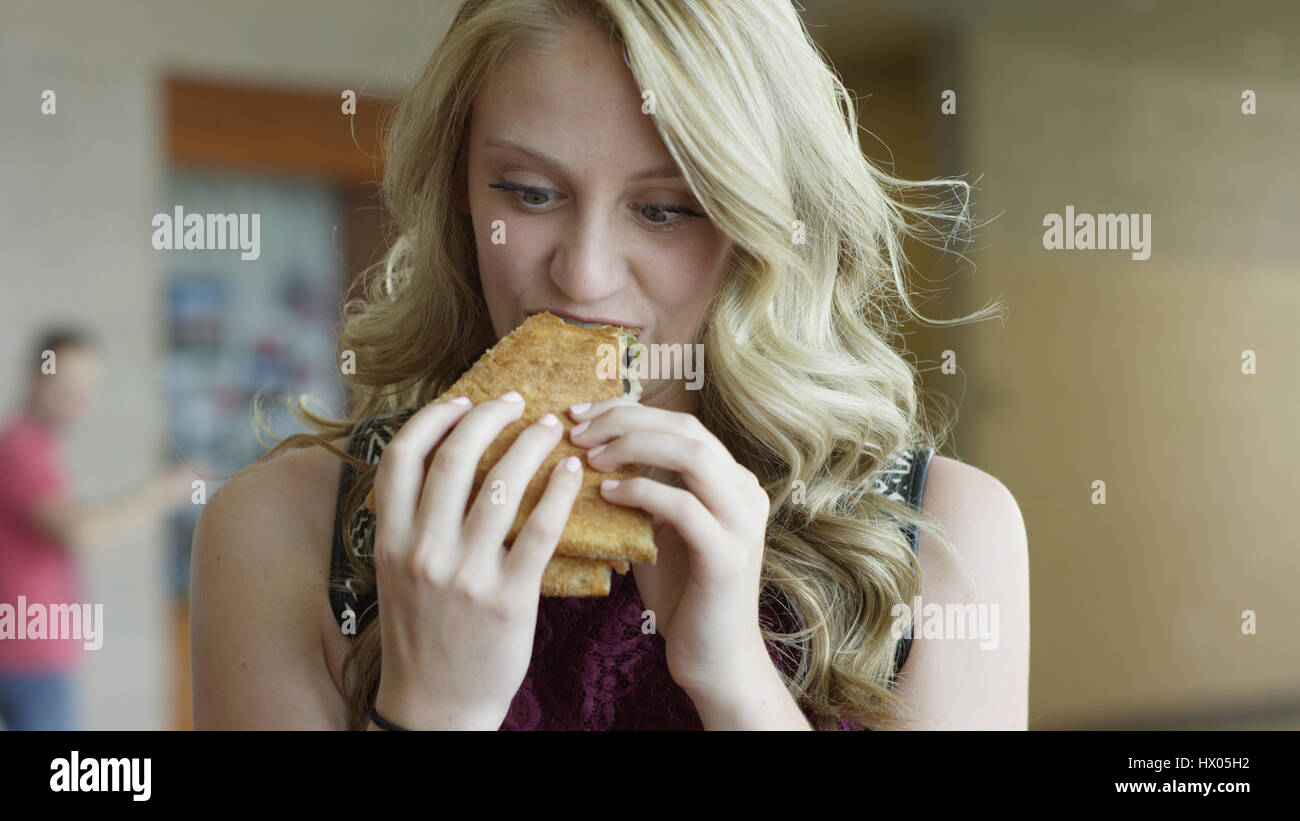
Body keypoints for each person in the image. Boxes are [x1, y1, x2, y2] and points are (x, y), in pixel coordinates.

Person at [191, 0, 1028, 731]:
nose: (584, 276)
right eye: (527, 191)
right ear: (458, 184)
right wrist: (433, 709)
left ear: (762, 223)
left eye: (664, 209)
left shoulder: (941, 539)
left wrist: (737, 686)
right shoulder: (283, 533)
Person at [0, 327, 201, 730]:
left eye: (88, 388)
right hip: (27, 654)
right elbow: (81, 530)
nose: (80, 400)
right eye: (69, 384)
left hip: (35, 650)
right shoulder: (21, 447)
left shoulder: (36, 448)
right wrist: (162, 492)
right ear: (38, 376)